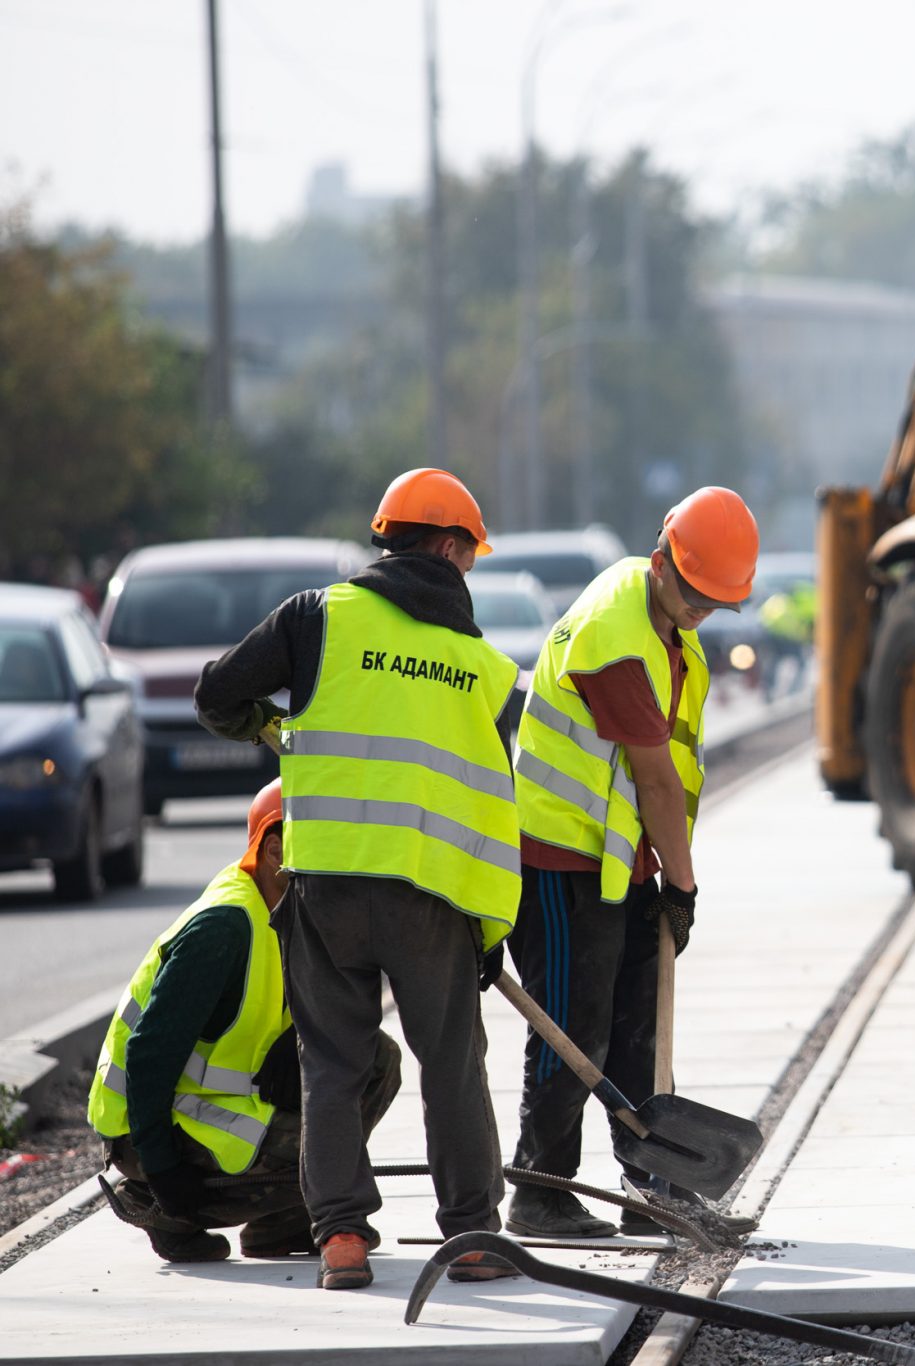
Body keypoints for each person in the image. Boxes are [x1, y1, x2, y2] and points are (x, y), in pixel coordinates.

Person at [194, 468, 522, 1290]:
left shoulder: (317, 618)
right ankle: (475, 1238)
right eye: (470, 555)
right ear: (447, 547)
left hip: (327, 886)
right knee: (452, 1064)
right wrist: (489, 931)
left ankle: (341, 1237)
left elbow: (215, 695)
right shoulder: (483, 669)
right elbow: (491, 811)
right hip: (431, 897)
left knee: (331, 1063)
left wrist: (278, 730)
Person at [506, 486, 756, 1236]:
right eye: (693, 593)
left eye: (716, 602)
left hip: (622, 858)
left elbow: (665, 775)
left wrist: (663, 876)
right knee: (573, 1027)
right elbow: (652, 777)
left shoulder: (671, 629)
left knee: (637, 1022)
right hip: (557, 855)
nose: (700, 610)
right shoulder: (616, 635)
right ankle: (539, 1191)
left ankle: (654, 1184)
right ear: (661, 563)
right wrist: (684, 886)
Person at [89, 780, 403, 1264]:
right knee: (322, 1144)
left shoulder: (287, 906)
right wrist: (163, 1168)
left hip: (221, 1100)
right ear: (275, 849)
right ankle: (165, 1210)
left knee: (374, 1057)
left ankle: (281, 1225)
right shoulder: (223, 928)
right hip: (152, 1125)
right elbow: (149, 1054)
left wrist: (296, 1033)